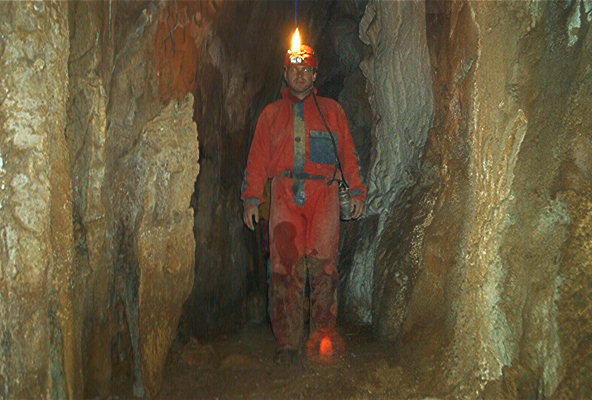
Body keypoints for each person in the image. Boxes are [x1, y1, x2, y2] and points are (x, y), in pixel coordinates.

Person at [241, 43, 367, 365]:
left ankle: (323, 340)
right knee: (285, 269)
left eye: (306, 69)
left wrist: (356, 191)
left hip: (324, 195)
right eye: (295, 69)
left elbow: (348, 154)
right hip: (284, 193)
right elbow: (257, 159)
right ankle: (287, 343)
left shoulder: (332, 111)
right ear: (285, 73)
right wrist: (252, 198)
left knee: (324, 270)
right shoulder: (271, 115)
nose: (300, 75)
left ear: (315, 74)